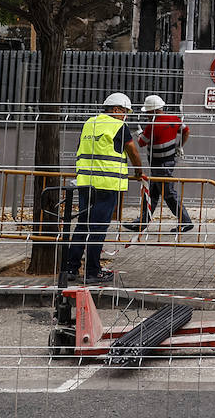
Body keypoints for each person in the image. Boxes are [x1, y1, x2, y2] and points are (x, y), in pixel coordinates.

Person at [61, 92, 147, 285]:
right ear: (116, 110)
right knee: (98, 228)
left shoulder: (89, 123)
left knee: (82, 225)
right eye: (124, 111)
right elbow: (132, 151)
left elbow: (80, 148)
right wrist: (139, 172)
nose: (125, 116)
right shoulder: (119, 126)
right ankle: (92, 272)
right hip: (107, 185)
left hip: (85, 183)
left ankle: (70, 269)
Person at [125, 94, 193, 233]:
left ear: (154, 111)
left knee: (168, 194)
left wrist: (139, 133)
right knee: (152, 194)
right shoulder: (174, 119)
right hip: (168, 162)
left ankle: (185, 221)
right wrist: (179, 146)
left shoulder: (152, 125)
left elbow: (142, 143)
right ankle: (142, 222)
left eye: (148, 112)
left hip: (158, 164)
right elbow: (186, 131)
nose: (147, 115)